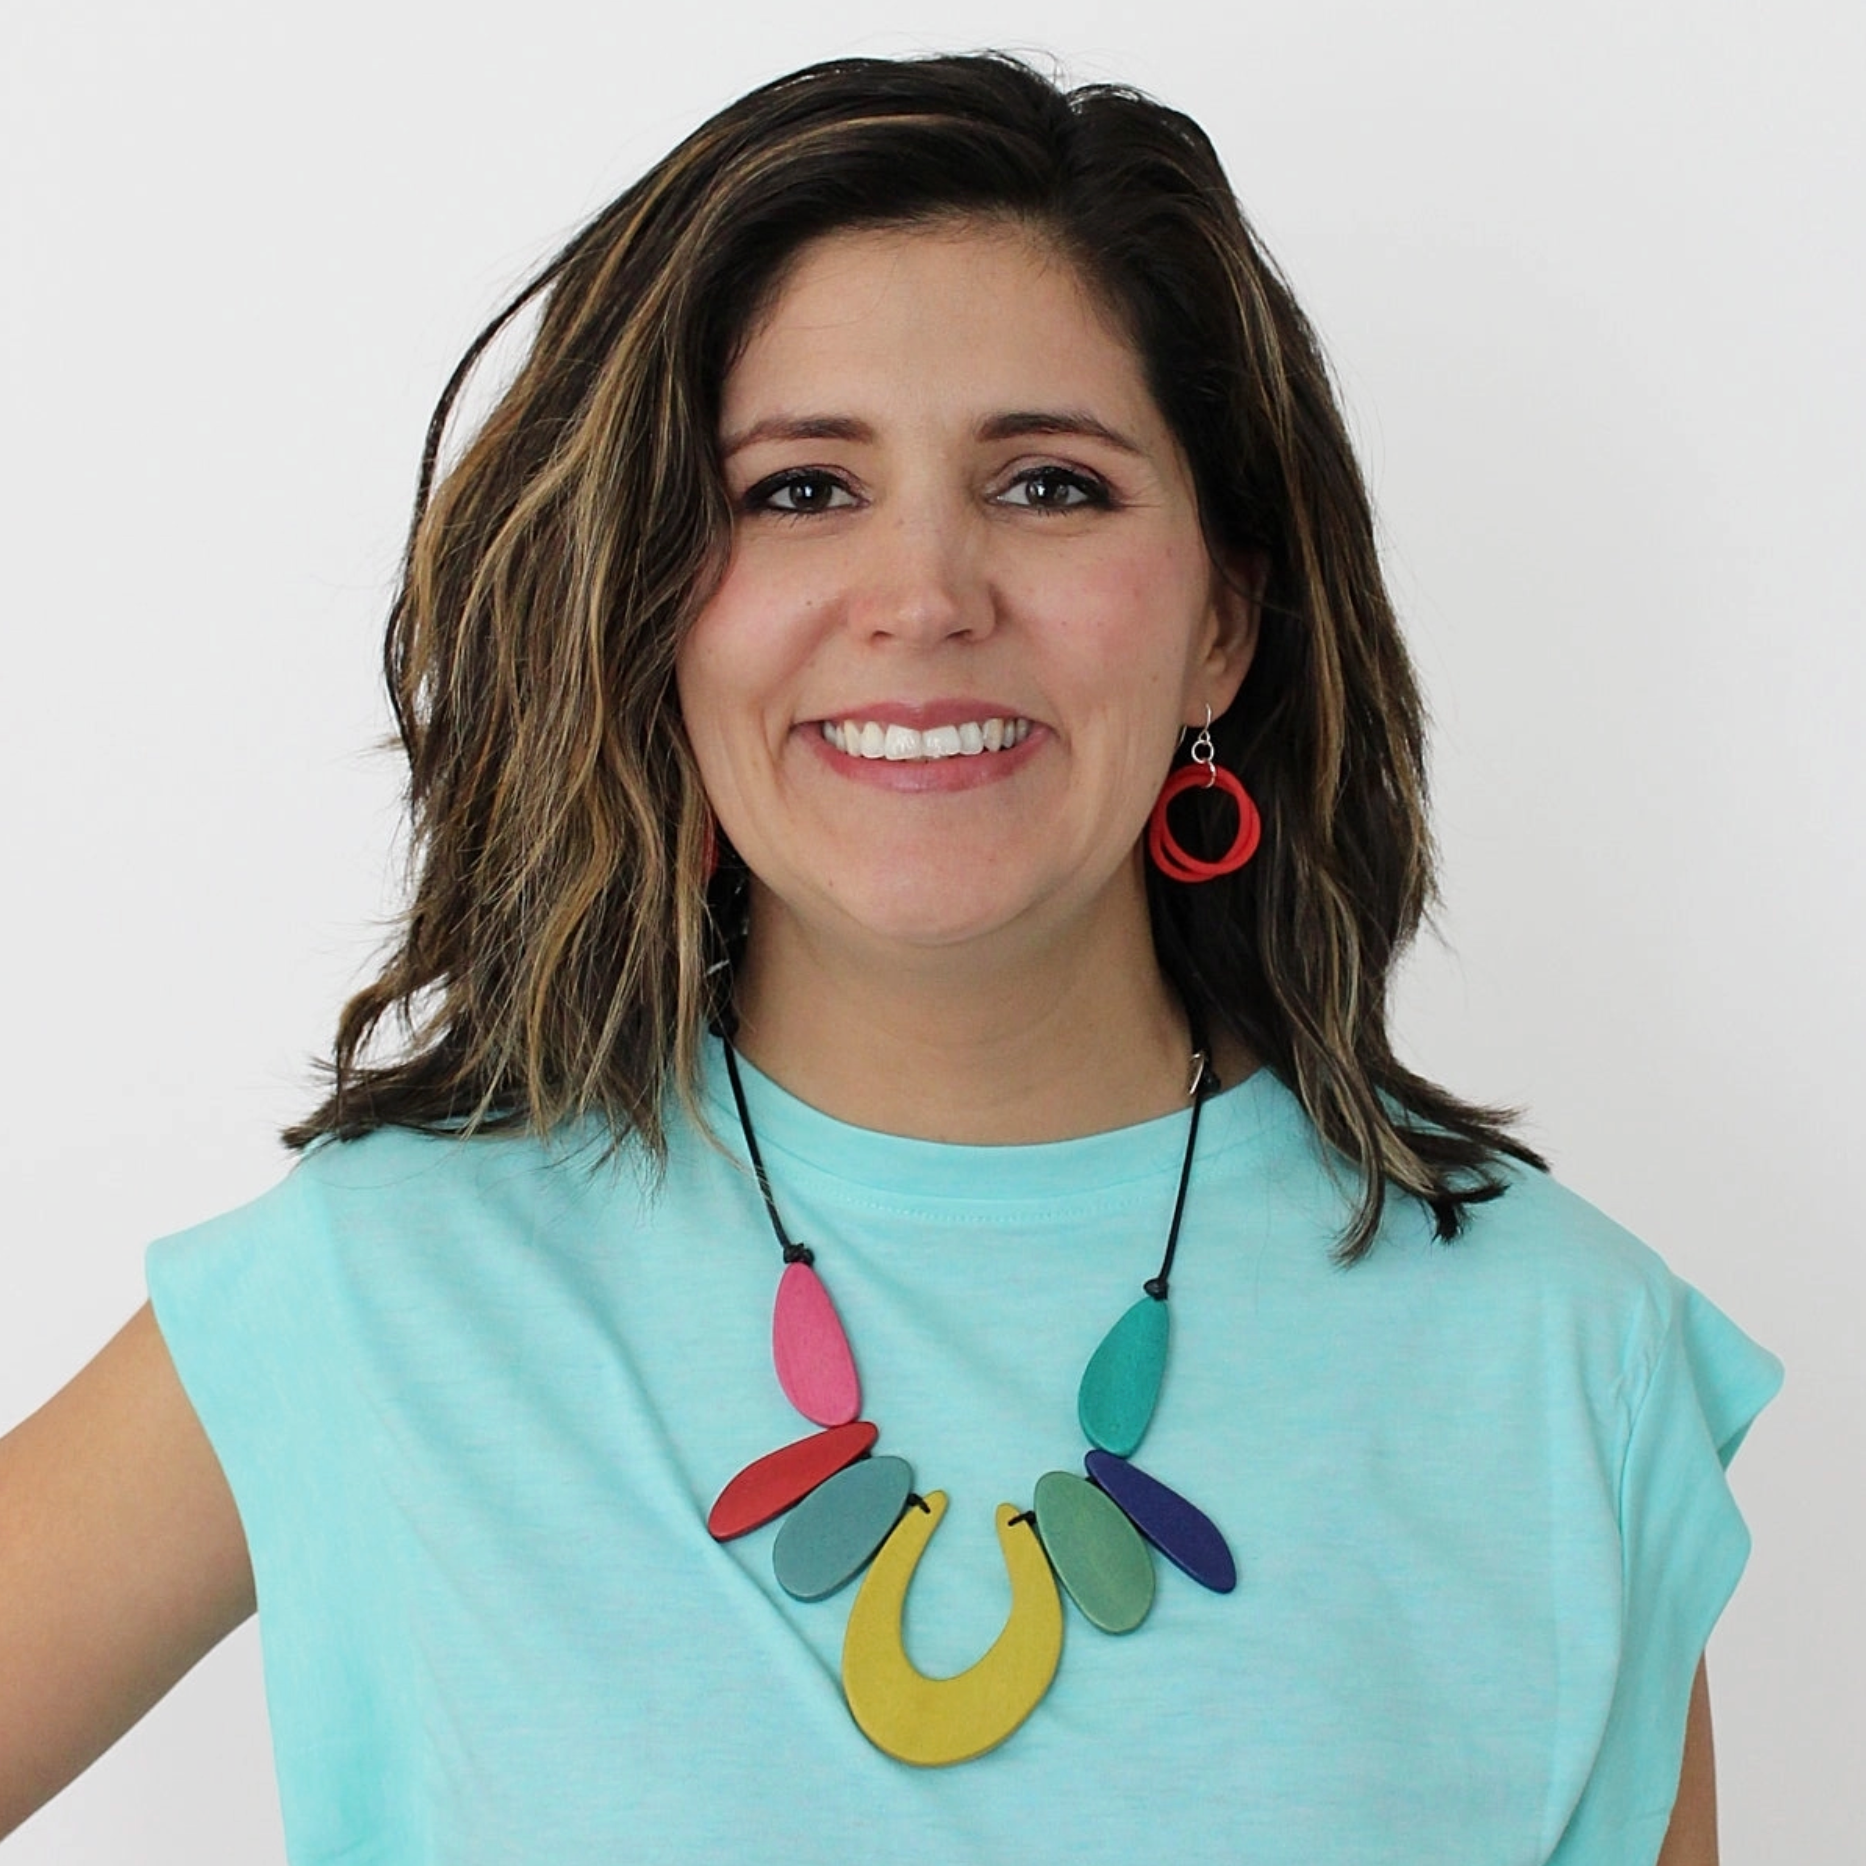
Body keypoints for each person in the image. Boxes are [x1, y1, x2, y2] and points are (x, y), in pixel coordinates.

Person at [0, 50, 1780, 1865]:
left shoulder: (1559, 1360)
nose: (926, 594)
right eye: (798, 490)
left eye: (1050, 485)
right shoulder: (382, 1295)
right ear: (653, 602)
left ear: (1223, 622)